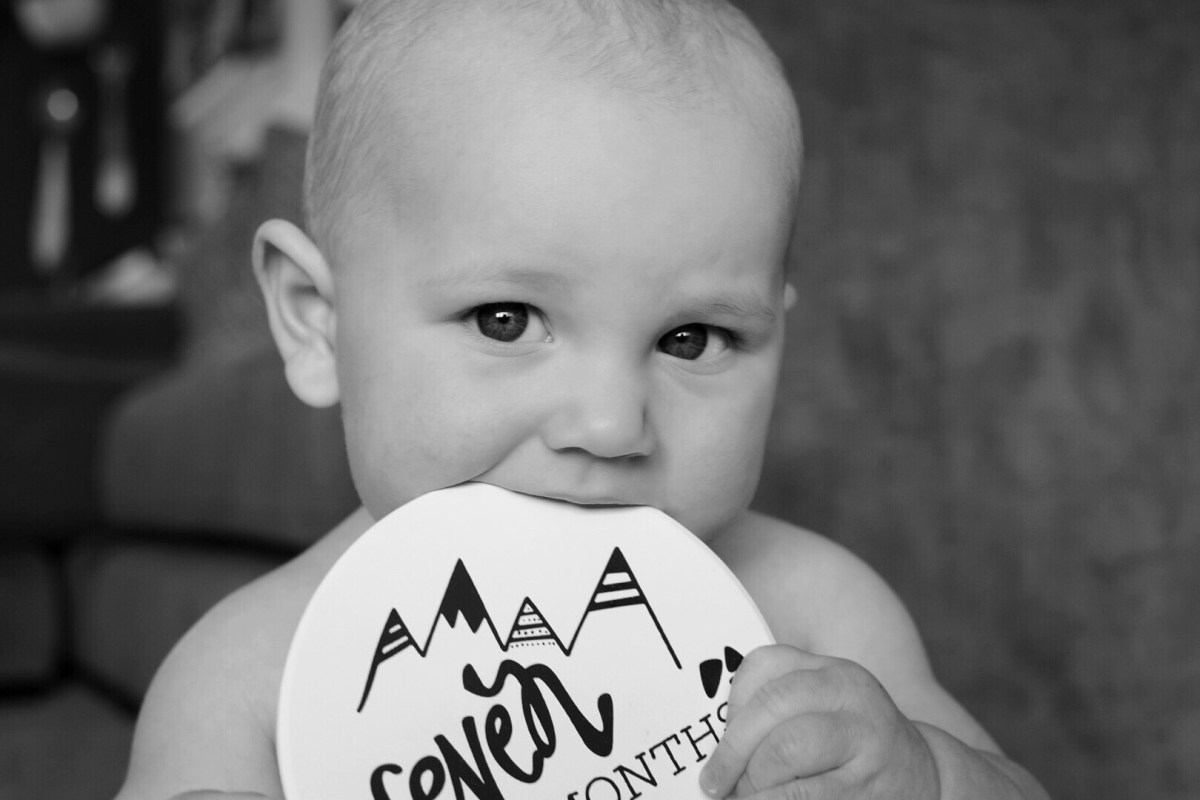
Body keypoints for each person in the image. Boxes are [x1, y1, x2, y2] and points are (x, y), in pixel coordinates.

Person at [117, 1, 1050, 798]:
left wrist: (923, 774)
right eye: (507, 320)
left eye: (692, 339)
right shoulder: (247, 675)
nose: (610, 426)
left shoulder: (817, 612)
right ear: (318, 323)